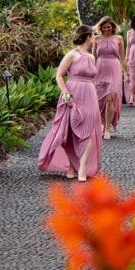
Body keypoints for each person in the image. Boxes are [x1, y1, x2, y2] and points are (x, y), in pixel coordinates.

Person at [38, 25, 102, 181]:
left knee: (87, 132)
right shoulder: (72, 55)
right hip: (72, 94)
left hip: (90, 95)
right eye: (93, 36)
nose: (95, 39)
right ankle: (72, 166)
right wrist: (66, 93)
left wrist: (96, 98)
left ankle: (81, 168)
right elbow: (59, 75)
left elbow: (93, 79)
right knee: (69, 132)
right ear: (88, 36)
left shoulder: (92, 57)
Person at [93, 16, 128, 140]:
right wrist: (91, 74)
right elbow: (94, 58)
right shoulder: (96, 39)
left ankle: (107, 128)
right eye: (104, 27)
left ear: (113, 27)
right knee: (100, 99)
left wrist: (127, 73)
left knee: (110, 97)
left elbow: (123, 57)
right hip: (100, 69)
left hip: (114, 69)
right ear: (101, 28)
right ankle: (101, 125)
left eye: (109, 27)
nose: (107, 29)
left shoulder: (119, 39)